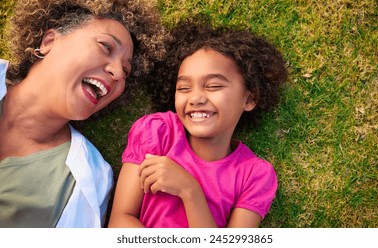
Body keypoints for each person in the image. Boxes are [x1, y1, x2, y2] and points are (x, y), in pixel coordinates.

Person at [0, 0, 168, 228]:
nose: (117, 73)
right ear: (49, 41)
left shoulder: (90, 179)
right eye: (105, 46)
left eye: (126, 71)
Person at [108, 20, 288, 228]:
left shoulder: (255, 175)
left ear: (249, 99)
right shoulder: (157, 132)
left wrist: (190, 191)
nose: (195, 98)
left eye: (213, 85)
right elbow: (120, 221)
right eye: (184, 88)